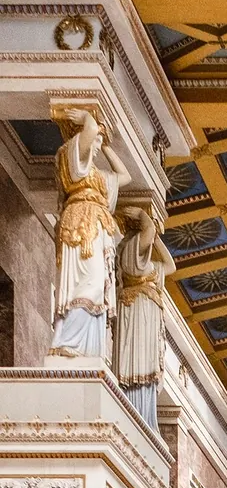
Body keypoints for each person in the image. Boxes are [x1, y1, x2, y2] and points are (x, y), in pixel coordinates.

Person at [49, 107, 130, 360]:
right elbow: (91, 129)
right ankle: (68, 342)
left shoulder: (94, 173)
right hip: (81, 225)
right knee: (89, 283)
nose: (94, 147)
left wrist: (104, 145)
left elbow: (124, 176)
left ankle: (86, 349)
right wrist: (88, 121)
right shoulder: (71, 155)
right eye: (93, 142)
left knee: (95, 285)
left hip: (94, 223)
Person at [115, 206, 176, 429]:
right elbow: (148, 230)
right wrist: (143, 216)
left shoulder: (148, 265)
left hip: (147, 315)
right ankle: (137, 412)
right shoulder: (131, 254)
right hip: (137, 313)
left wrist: (157, 240)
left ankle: (145, 416)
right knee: (138, 363)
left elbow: (171, 266)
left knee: (147, 366)